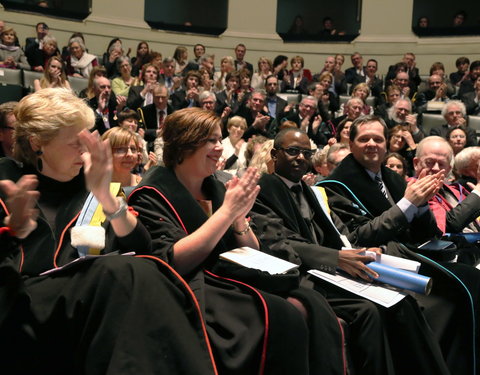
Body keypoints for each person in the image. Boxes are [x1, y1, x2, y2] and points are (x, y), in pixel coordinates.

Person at [0, 88, 218, 374]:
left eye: (88, 140)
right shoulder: (7, 181)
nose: (85, 151)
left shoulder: (92, 183)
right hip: (22, 306)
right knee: (120, 273)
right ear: (37, 142)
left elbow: (144, 249)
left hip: (85, 307)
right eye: (75, 143)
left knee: (141, 274)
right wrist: (12, 231)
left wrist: (106, 197)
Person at [129, 107, 346, 375]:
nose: (219, 148)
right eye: (210, 140)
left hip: (230, 276)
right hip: (192, 285)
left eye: (219, 140)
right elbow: (173, 261)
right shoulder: (150, 193)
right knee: (286, 314)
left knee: (313, 302)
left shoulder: (217, 187)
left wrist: (240, 220)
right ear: (185, 143)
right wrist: (228, 212)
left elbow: (250, 249)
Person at [250, 127, 450, 375]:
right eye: (292, 151)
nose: (300, 157)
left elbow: (341, 232)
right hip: (304, 273)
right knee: (369, 312)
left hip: (332, 268)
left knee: (403, 301)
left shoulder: (313, 192)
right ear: (274, 154)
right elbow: (277, 243)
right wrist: (336, 258)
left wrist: (359, 250)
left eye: (306, 152)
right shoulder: (261, 190)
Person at [321, 115, 480, 375]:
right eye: (364, 139)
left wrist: (420, 205)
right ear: (351, 143)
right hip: (376, 264)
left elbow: (425, 232)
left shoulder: (392, 178)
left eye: (378, 139)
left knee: (471, 284)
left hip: (408, 254)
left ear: (386, 145)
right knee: (462, 289)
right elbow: (356, 237)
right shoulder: (335, 185)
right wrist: (407, 204)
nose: (372, 144)